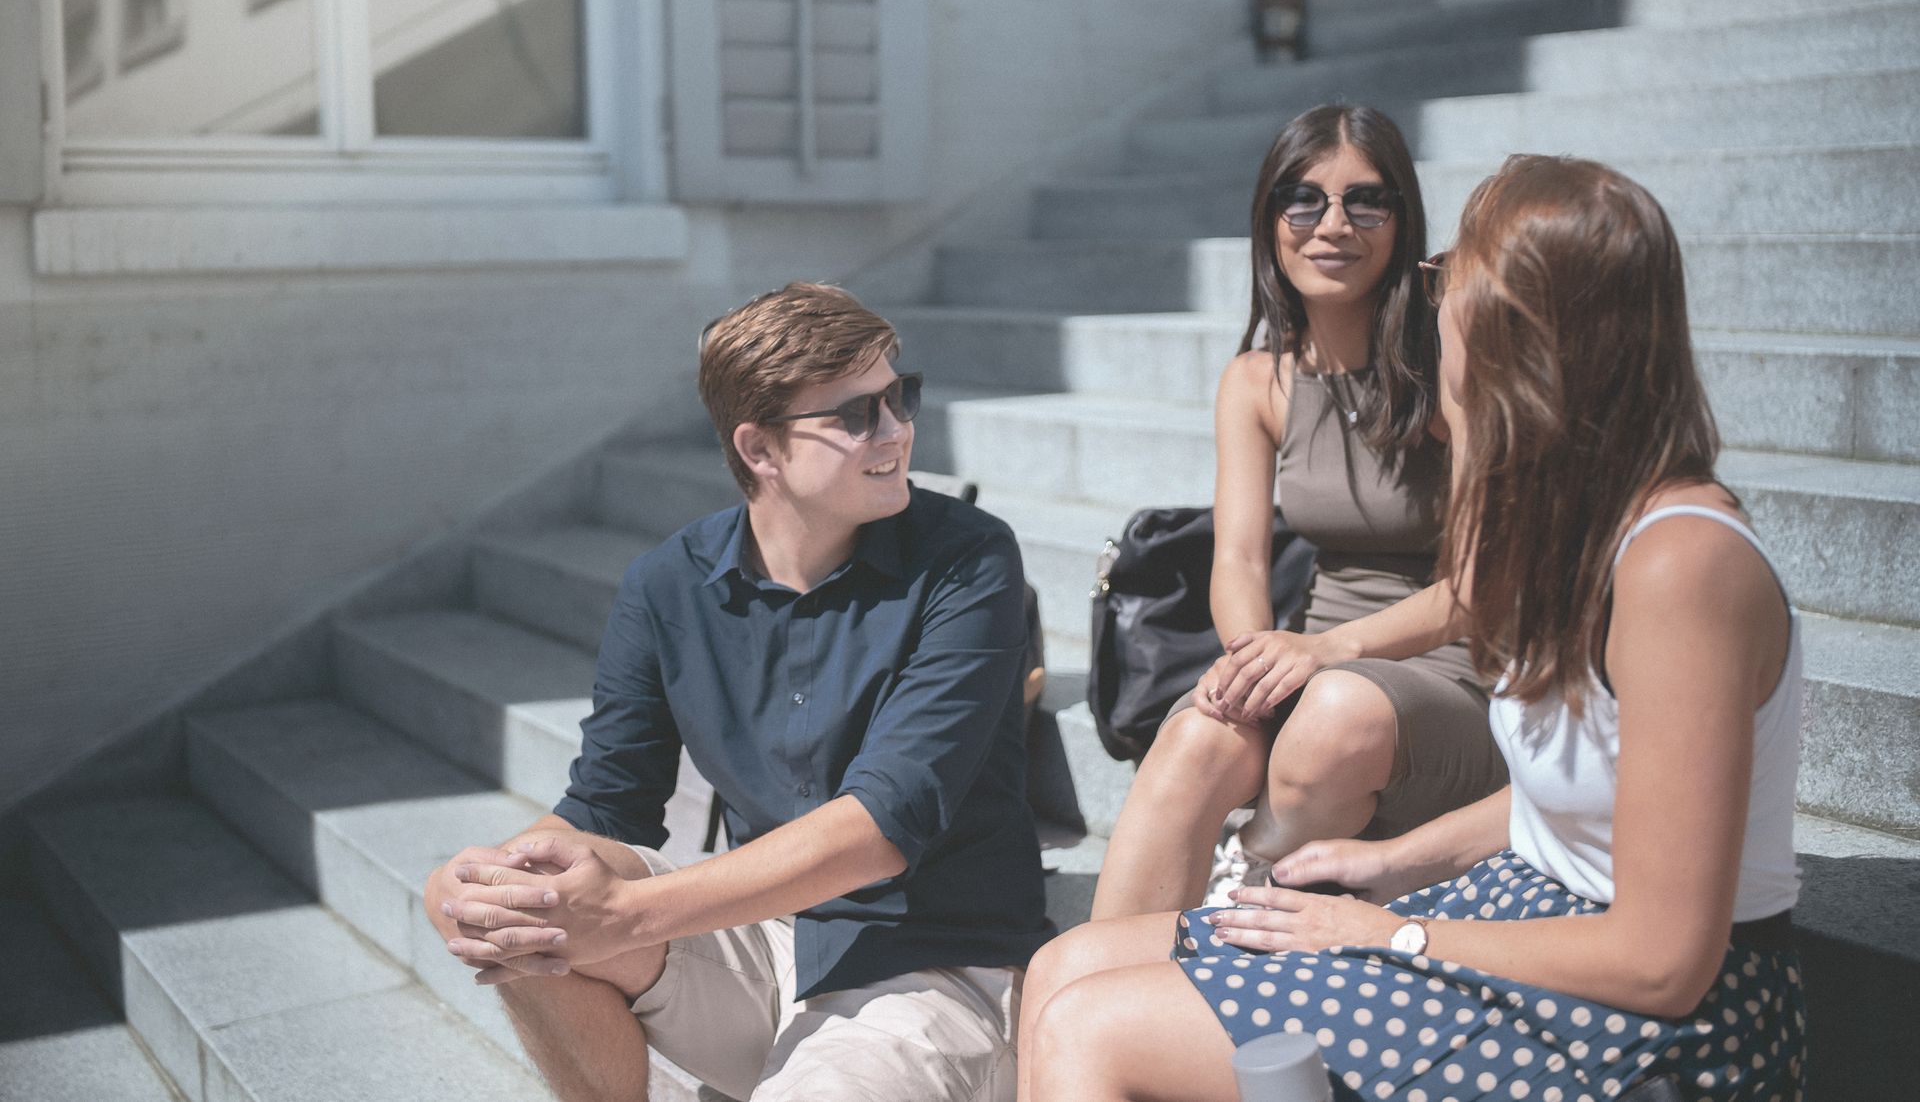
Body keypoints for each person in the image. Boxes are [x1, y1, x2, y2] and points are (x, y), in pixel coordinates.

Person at [1018, 155, 1808, 1102]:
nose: (1432, 303)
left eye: (1449, 276)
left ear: (1521, 324)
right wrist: (1390, 862)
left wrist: (1392, 930)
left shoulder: (1681, 567)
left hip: (1649, 1020)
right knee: (1071, 967)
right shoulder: (1571, 530)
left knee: (1090, 1032)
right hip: (1533, 911)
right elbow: (1583, 797)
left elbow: (1663, 960)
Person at [423, 282, 1051, 1102]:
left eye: (899, 397)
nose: (896, 430)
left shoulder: (969, 559)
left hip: (929, 962)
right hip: (761, 941)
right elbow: (606, 806)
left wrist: (628, 913)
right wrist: (481, 881)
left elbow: (883, 826)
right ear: (759, 451)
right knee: (516, 917)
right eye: (855, 415)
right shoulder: (666, 585)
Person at [1090, 104, 1506, 920]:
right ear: (1271, 219)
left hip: (1450, 672)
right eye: (1304, 200)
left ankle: (1248, 898)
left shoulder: (1452, 367)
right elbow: (1240, 561)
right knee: (1196, 736)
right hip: (1312, 654)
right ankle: (1094, 985)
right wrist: (1255, 661)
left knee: (1333, 716)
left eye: (1366, 201)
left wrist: (1329, 650)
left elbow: (1484, 585)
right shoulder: (1258, 380)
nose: (1333, 225)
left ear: (1401, 220)